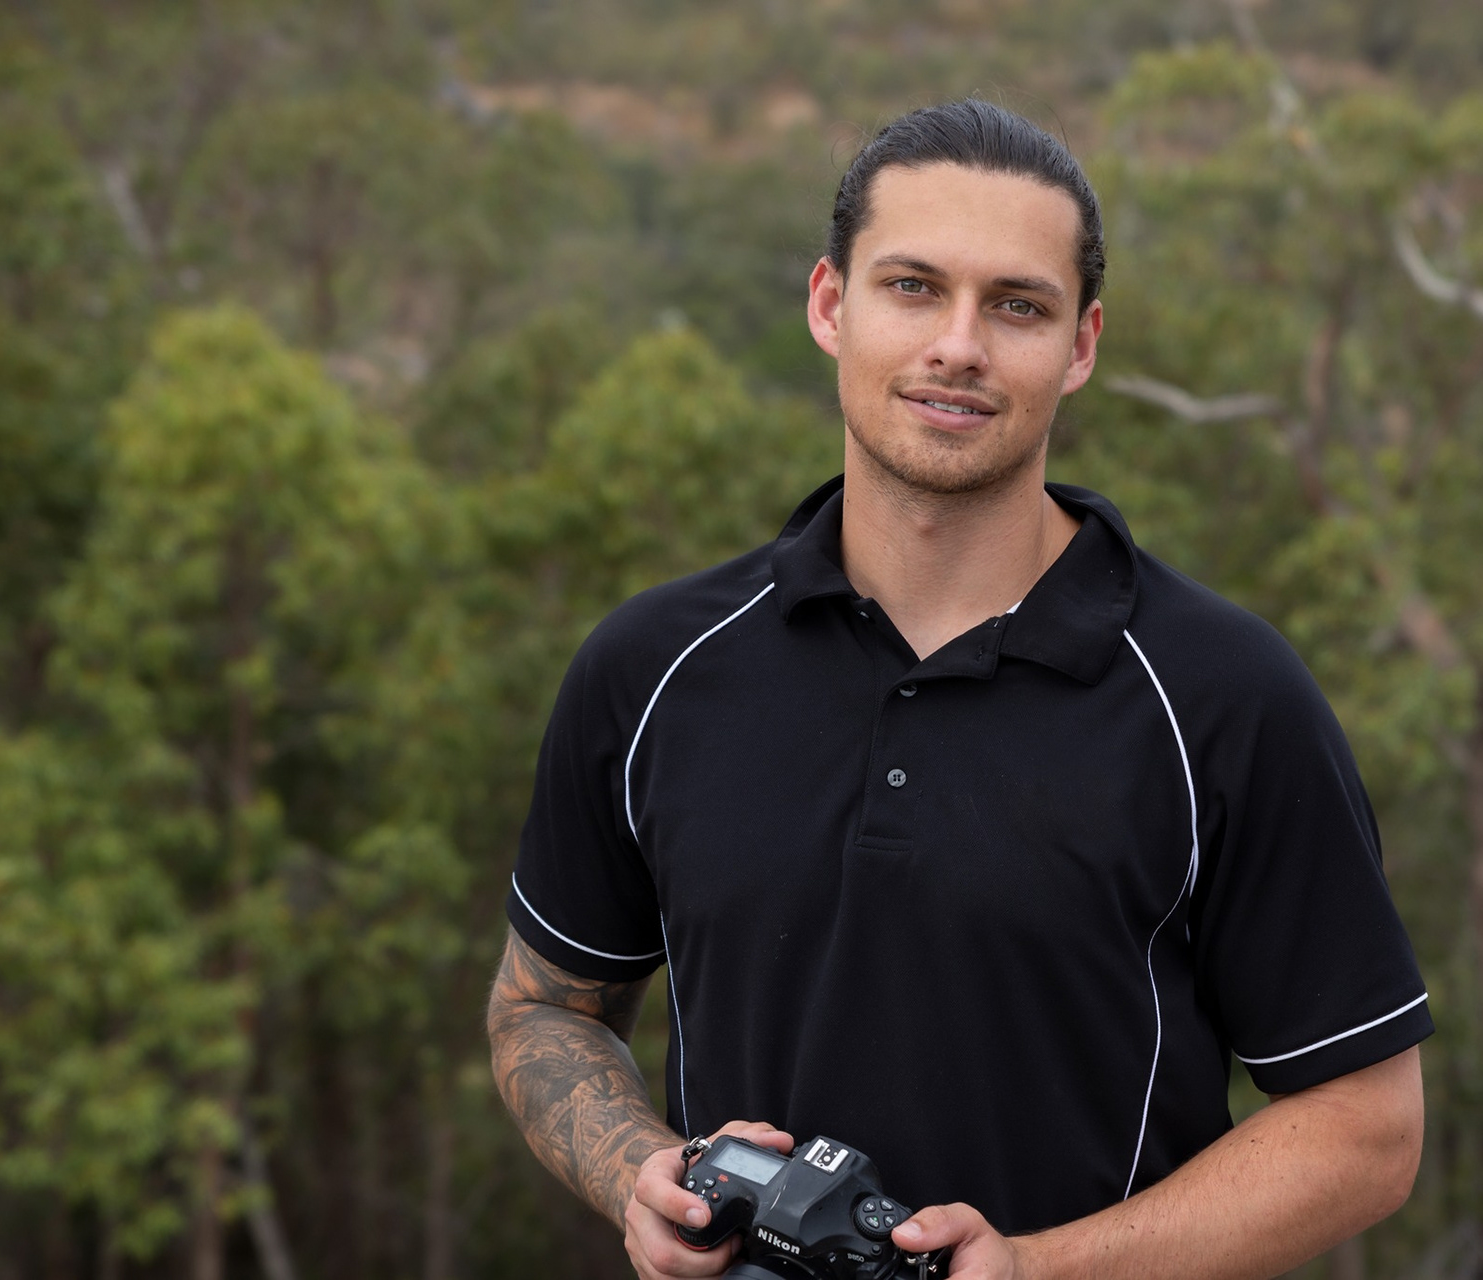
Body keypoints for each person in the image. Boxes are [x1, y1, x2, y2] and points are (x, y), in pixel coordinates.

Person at [487, 98, 1433, 1280]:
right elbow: (544, 1008)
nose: (960, 346)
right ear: (832, 304)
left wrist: (1040, 1267)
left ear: (1081, 344)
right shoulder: (654, 668)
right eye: (913, 287)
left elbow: (1369, 1129)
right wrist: (639, 1171)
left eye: (1018, 305)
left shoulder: (1225, 698)